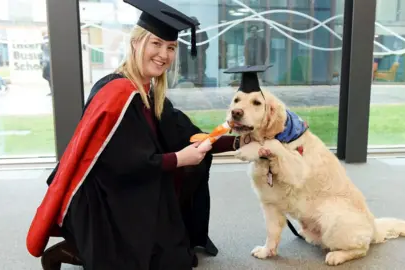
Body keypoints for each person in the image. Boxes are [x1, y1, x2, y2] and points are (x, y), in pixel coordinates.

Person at [26, 0, 243, 269]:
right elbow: (121, 164)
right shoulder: (117, 93)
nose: (163, 54)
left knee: (188, 181)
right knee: (164, 255)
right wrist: (178, 159)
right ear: (135, 43)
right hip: (101, 200)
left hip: (126, 188)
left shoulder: (149, 92)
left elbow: (186, 134)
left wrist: (239, 140)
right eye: (156, 44)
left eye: (171, 47)